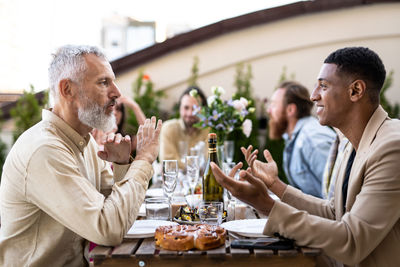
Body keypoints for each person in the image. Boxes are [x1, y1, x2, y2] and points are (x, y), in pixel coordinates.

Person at [211, 47, 400, 267]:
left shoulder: (391, 148)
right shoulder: (351, 142)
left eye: (323, 86)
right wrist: (276, 187)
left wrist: (266, 205)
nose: (313, 96)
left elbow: (352, 241)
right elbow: (333, 212)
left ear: (355, 90)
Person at [0, 45, 162, 266]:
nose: (117, 93)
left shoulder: (83, 142)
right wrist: (144, 159)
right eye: (104, 82)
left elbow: (115, 211)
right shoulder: (45, 150)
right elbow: (108, 228)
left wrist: (123, 164)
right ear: (67, 90)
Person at [267, 81, 336, 197]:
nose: (268, 110)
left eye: (273, 105)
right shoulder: (293, 138)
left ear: (290, 110)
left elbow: (339, 194)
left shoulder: (312, 140)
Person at [159, 86, 209, 169]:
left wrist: (184, 164)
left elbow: (210, 162)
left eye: (195, 109)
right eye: (186, 108)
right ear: (180, 109)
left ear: (202, 110)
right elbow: (168, 163)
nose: (190, 113)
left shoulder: (208, 130)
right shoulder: (168, 128)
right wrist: (197, 165)